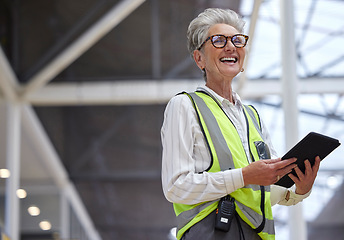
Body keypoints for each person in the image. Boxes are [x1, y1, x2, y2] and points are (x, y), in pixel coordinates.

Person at [161, 8, 320, 240]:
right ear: (199, 59)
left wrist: (299, 190)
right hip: (211, 232)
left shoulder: (253, 117)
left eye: (237, 40)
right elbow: (176, 186)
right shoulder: (185, 106)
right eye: (218, 40)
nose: (231, 46)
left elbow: (266, 191)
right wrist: (244, 176)